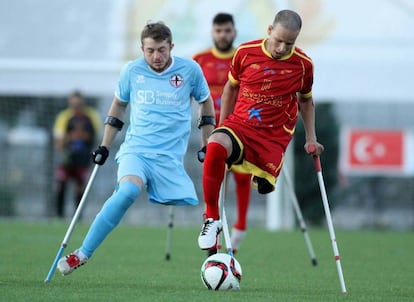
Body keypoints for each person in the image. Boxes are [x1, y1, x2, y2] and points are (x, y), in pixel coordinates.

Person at [57, 21, 215, 275]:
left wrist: (208, 142)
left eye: (162, 50)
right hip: (137, 151)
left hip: (169, 159)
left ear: (171, 46)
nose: (156, 56)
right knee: (128, 191)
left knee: (202, 203)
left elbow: (206, 104)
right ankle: (82, 253)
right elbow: (118, 106)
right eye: (150, 50)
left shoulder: (190, 71)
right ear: (141, 48)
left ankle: (216, 259)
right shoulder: (132, 71)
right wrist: (104, 146)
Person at [197, 10, 324, 251]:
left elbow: (306, 101)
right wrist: (222, 126)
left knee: (263, 187)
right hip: (241, 124)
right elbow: (230, 90)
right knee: (215, 145)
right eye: (278, 40)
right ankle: (212, 219)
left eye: (290, 43)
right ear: (269, 31)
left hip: (273, 135)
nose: (281, 48)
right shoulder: (245, 52)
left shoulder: (303, 65)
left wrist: (311, 138)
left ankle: (245, 218)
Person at [193, 13, 251, 255]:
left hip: (239, 127)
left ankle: (239, 228)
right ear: (212, 33)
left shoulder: (244, 57)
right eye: (218, 31)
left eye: (227, 31)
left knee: (241, 176)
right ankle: (213, 233)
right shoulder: (199, 60)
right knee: (216, 179)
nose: (223, 35)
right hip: (209, 128)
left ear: (234, 32)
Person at [53, 91, 101, 218]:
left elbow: (95, 135)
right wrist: (63, 150)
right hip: (67, 159)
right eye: (73, 104)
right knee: (61, 184)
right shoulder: (64, 116)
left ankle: (77, 217)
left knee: (80, 186)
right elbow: (59, 138)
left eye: (78, 104)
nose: (76, 106)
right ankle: (59, 216)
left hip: (83, 159)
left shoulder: (91, 116)